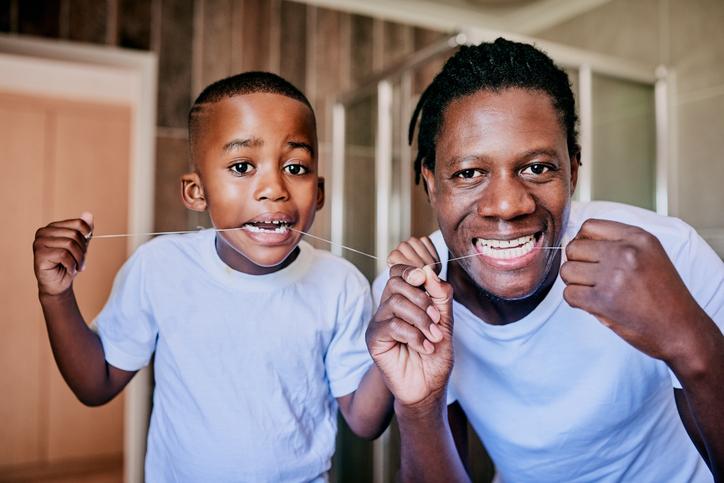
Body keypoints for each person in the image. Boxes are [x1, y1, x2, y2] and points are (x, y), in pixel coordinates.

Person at [365, 38, 724, 482]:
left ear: (573, 170)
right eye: (469, 173)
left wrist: (691, 344)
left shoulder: (668, 255)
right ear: (432, 184)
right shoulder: (413, 294)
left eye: (536, 167)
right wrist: (418, 407)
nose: (507, 205)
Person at [33, 72, 393, 482]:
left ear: (320, 193)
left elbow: (366, 424)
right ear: (196, 192)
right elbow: (96, 384)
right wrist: (55, 296)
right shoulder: (160, 267)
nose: (273, 188)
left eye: (296, 167)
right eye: (242, 166)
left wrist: (392, 338)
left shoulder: (340, 283)